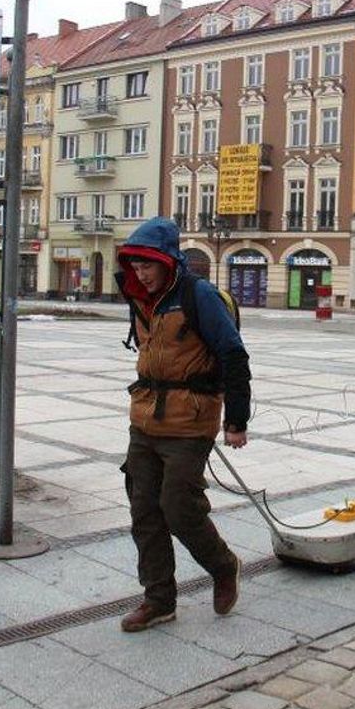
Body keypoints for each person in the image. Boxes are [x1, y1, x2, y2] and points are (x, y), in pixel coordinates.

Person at [114, 217, 252, 633]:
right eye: (135, 266)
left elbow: (233, 354)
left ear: (167, 261)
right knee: (144, 511)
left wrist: (237, 420)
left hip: (190, 424)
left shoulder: (198, 295)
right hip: (145, 420)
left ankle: (224, 566)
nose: (140, 273)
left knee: (178, 507)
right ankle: (158, 600)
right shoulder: (143, 300)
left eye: (147, 266)